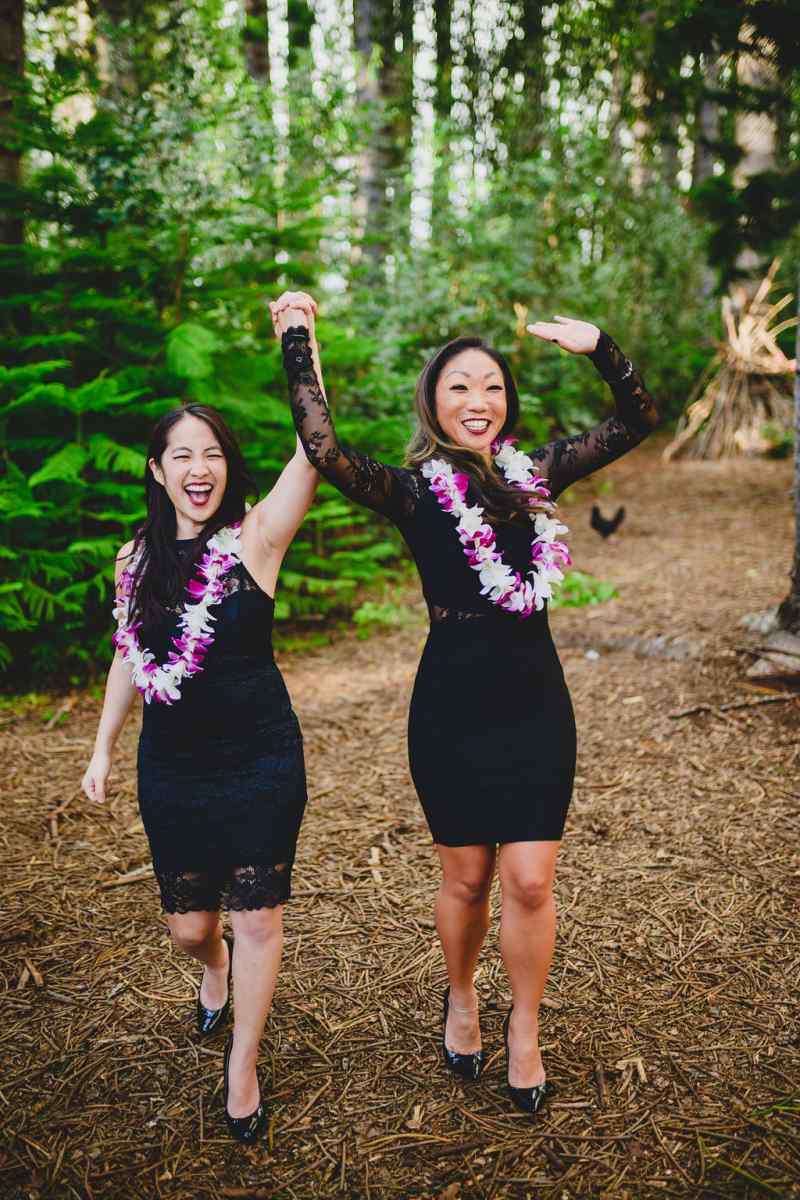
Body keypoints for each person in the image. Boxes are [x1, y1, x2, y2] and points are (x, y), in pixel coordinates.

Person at [271, 291, 659, 1114]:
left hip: (534, 702)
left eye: (491, 386)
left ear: (507, 401)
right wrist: (298, 342)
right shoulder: (411, 492)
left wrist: (600, 345)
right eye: (458, 387)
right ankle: (460, 994)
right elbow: (324, 447)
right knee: (469, 877)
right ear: (433, 401)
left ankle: (525, 1025)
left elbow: (637, 419)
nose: (478, 401)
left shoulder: (539, 474)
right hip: (451, 704)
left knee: (528, 880)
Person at [81, 380, 322, 1143]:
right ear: (157, 470)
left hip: (261, 756)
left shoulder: (258, 538)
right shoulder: (135, 557)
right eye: (182, 453)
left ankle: (242, 1064)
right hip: (174, 765)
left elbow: (314, 448)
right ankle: (211, 970)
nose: (199, 466)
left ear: (228, 468)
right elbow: (129, 652)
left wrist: (299, 343)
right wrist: (103, 746)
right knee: (191, 928)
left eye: (212, 453)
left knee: (258, 920)